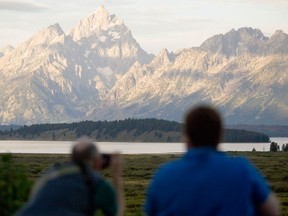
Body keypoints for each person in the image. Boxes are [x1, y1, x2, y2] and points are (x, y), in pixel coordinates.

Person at [145, 106, 279, 216]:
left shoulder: (163, 175)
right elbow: (272, 211)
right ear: (219, 136)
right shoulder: (242, 170)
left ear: (187, 138)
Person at [17, 137, 124, 216]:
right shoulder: (98, 184)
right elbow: (116, 213)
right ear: (96, 161)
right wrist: (116, 176)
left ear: (71, 157)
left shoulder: (50, 174)